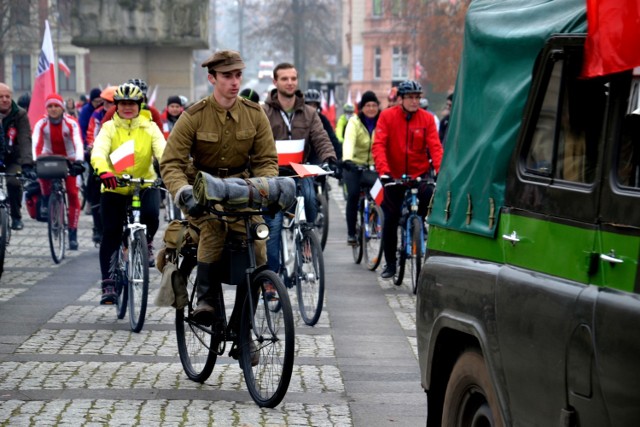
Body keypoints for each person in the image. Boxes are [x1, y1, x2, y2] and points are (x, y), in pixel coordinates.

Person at [160, 50, 278, 327]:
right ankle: (206, 300)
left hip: (240, 192)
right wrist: (183, 192)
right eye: (227, 76)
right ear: (212, 78)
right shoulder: (194, 116)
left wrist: (264, 187)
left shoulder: (255, 114)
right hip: (202, 194)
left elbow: (266, 161)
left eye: (238, 75)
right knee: (213, 228)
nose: (234, 82)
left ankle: (243, 326)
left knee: (259, 243)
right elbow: (171, 163)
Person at [91, 83, 165, 304]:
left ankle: (144, 242)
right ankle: (109, 283)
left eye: (132, 103)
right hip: (114, 186)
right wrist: (104, 172)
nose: (127, 107)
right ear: (116, 106)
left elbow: (164, 151)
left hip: (144, 183)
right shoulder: (109, 129)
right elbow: (98, 153)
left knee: (152, 216)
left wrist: (169, 171)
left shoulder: (150, 127)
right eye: (123, 104)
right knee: (111, 232)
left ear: (139, 105)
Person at [262, 62, 337, 275]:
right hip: (274, 174)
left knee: (311, 201)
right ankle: (271, 277)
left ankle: (305, 241)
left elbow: (321, 138)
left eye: (293, 78)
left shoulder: (309, 113)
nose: (290, 82)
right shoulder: (263, 112)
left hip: (299, 170)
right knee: (273, 226)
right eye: (284, 79)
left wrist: (329, 158)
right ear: (275, 82)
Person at [372, 80, 443, 279]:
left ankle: (416, 222)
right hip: (393, 175)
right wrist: (384, 172)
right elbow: (379, 145)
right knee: (390, 218)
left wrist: (441, 170)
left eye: (417, 97)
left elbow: (435, 147)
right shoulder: (387, 116)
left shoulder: (427, 119)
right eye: (410, 97)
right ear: (401, 99)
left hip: (419, 174)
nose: (414, 101)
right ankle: (391, 264)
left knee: (429, 197)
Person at [31, 93, 86, 250]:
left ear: (62, 108)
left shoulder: (71, 123)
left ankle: (72, 233)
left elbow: (78, 142)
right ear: (46, 109)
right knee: (42, 173)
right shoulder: (41, 123)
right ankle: (47, 199)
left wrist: (79, 161)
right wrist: (34, 161)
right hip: (50, 156)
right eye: (50, 106)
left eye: (56, 106)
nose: (53, 109)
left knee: (73, 193)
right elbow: (35, 142)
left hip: (69, 159)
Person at [342, 90, 380, 245]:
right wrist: (348, 159)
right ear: (361, 108)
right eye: (367, 105)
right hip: (354, 166)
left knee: (380, 195)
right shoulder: (354, 122)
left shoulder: (382, 121)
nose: (371, 108)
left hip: (374, 166)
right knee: (353, 195)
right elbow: (349, 140)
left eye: (374, 105)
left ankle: (376, 220)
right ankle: (351, 233)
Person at [85, 85, 118, 243]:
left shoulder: (125, 114)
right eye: (105, 102)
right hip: (101, 155)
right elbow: (92, 133)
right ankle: (97, 227)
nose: (107, 105)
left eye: (111, 102)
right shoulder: (97, 115)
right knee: (93, 187)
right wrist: (93, 147)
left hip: (120, 157)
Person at [0, 83, 34, 230]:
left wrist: (27, 164)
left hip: (14, 157)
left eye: (7, 96)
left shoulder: (19, 114)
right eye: (1, 97)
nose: (5, 99)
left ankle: (16, 216)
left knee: (13, 182)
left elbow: (25, 139)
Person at [303, 88, 342, 162]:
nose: (312, 108)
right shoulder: (299, 119)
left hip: (318, 158)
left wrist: (339, 158)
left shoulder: (323, 119)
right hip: (301, 159)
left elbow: (331, 138)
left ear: (318, 106)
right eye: (309, 105)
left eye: (314, 105)